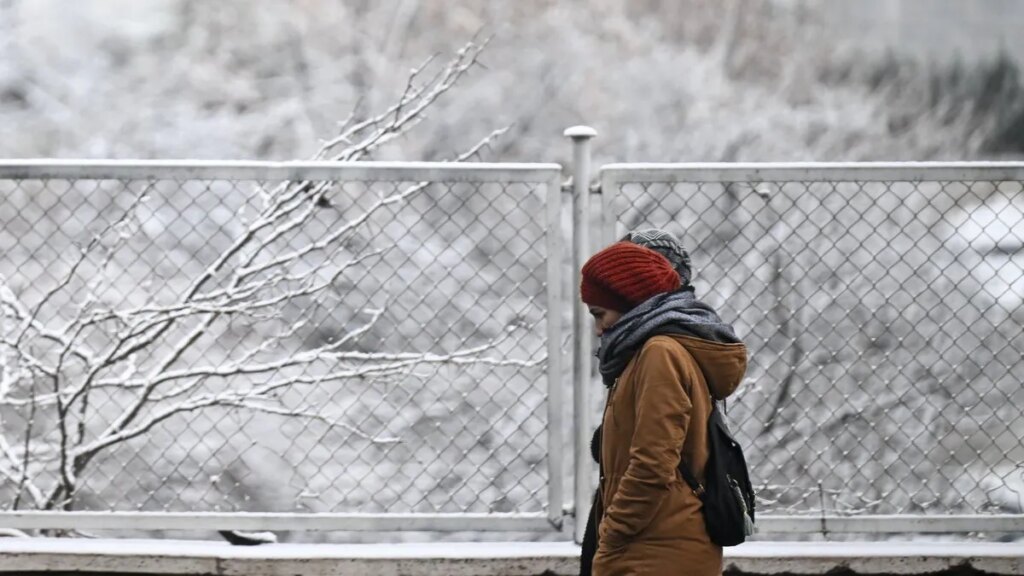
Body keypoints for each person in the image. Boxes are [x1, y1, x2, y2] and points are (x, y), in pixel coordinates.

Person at [577, 232, 747, 576]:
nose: (598, 329)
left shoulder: (659, 354)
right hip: (655, 542)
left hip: (655, 549)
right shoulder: (648, 353)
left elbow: (652, 463)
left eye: (600, 313)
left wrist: (613, 535)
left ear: (628, 302)